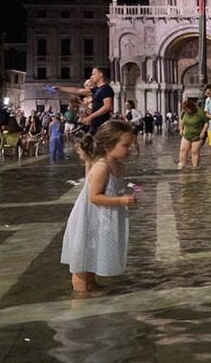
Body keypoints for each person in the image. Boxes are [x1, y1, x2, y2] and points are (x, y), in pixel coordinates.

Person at [60, 121, 138, 293]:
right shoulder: (102, 167)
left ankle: (92, 285)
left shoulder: (118, 166)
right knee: (82, 261)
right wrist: (121, 201)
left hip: (102, 218)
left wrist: (126, 192)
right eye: (125, 145)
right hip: (89, 218)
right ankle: (80, 296)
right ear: (109, 145)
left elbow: (112, 188)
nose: (130, 149)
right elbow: (94, 197)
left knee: (93, 253)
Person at [53, 67, 115, 134]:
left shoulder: (106, 89)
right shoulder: (96, 90)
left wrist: (90, 117)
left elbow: (107, 107)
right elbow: (77, 90)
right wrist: (59, 88)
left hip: (102, 125)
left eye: (94, 74)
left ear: (101, 74)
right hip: (95, 124)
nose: (91, 77)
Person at [178, 99, 208, 170]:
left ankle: (195, 168)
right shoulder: (184, 112)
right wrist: (181, 129)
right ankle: (181, 166)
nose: (186, 111)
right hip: (186, 135)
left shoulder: (200, 112)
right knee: (183, 150)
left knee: (194, 152)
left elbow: (206, 123)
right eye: (185, 109)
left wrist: (203, 132)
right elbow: (181, 120)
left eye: (187, 109)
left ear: (191, 108)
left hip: (197, 136)